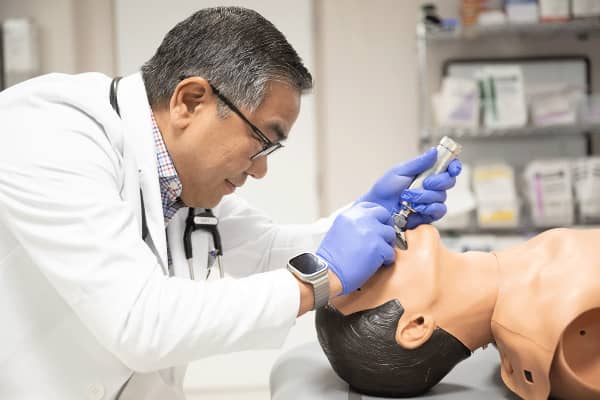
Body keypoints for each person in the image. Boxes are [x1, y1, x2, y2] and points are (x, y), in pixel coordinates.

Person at [0, 6, 461, 400]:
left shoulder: (176, 180)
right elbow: (139, 323)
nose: (260, 170)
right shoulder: (48, 132)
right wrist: (319, 283)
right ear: (191, 100)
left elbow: (261, 249)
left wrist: (370, 216)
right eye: (263, 141)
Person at [316, 224, 600, 400]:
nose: (372, 256)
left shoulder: (524, 285)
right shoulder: (564, 340)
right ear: (415, 325)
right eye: (365, 281)